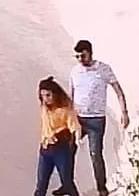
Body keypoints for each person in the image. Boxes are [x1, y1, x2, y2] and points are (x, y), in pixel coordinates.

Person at [56, 39, 129, 196]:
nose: (80, 59)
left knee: (95, 154)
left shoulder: (103, 69)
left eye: (83, 55)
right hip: (78, 118)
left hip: (96, 119)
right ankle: (66, 184)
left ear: (90, 53)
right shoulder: (75, 71)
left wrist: (124, 112)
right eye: (77, 56)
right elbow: (71, 96)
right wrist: (67, 117)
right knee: (68, 150)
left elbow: (118, 90)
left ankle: (101, 188)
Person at [35, 76, 82, 196]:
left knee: (67, 182)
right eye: (43, 96)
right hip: (45, 149)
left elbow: (75, 127)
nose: (46, 99)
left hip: (61, 149)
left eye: (48, 95)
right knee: (41, 184)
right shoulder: (44, 107)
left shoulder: (65, 110)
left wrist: (77, 140)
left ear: (55, 94)